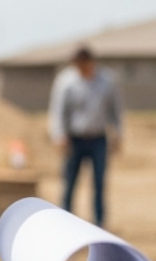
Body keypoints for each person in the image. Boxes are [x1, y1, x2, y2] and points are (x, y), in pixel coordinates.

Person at [48, 45, 124, 228]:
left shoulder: (107, 81)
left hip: (98, 139)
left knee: (99, 183)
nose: (80, 68)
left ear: (91, 62)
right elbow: (58, 111)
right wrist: (59, 136)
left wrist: (118, 135)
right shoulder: (66, 81)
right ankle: (65, 222)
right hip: (74, 139)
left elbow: (116, 110)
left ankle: (99, 223)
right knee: (70, 182)